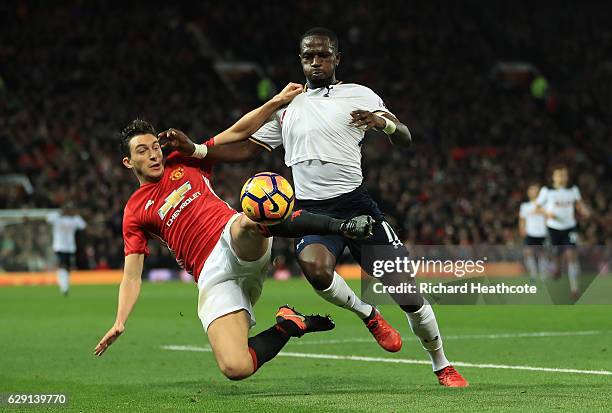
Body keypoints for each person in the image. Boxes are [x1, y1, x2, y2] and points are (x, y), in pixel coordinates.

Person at [202, 28, 467, 386]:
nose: (315, 62)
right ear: (301, 60)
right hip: (311, 211)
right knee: (315, 267)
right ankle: (367, 314)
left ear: (336, 58)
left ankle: (442, 364)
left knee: (407, 292)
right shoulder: (288, 105)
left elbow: (405, 137)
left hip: (356, 206)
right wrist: (197, 151)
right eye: (308, 56)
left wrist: (383, 123)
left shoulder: (359, 94)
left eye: (323, 55)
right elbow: (247, 148)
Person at [93, 83, 374, 381]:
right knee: (235, 367)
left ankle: (340, 226)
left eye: (154, 147)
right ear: (128, 162)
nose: (153, 155)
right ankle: (288, 325)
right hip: (212, 275)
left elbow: (236, 131)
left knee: (248, 220)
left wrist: (276, 101)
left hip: (231, 238)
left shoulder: (184, 159)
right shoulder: (135, 210)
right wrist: (120, 321)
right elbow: (132, 274)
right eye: (142, 151)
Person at [535, 165, 591, 299]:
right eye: (559, 175)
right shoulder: (547, 191)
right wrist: (547, 213)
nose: (562, 178)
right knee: (557, 257)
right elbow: (537, 207)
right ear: (553, 177)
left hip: (569, 228)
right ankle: (557, 270)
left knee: (571, 255)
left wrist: (584, 210)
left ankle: (574, 289)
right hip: (553, 228)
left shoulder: (573, 190)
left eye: (564, 175)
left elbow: (579, 204)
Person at [46, 202, 86, 296]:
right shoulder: (57, 218)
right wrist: (60, 213)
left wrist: (75, 215)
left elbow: (83, 225)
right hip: (59, 246)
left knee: (67, 266)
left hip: (70, 247)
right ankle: (64, 286)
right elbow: (48, 218)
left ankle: (64, 284)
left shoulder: (74, 219)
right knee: (62, 264)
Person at [519, 183, 548, 281]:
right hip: (530, 233)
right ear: (528, 192)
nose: (533, 192)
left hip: (542, 233)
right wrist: (522, 229)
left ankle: (543, 275)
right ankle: (533, 275)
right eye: (531, 190)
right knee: (528, 253)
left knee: (542, 254)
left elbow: (548, 218)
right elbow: (522, 220)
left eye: (535, 190)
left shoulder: (544, 205)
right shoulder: (525, 206)